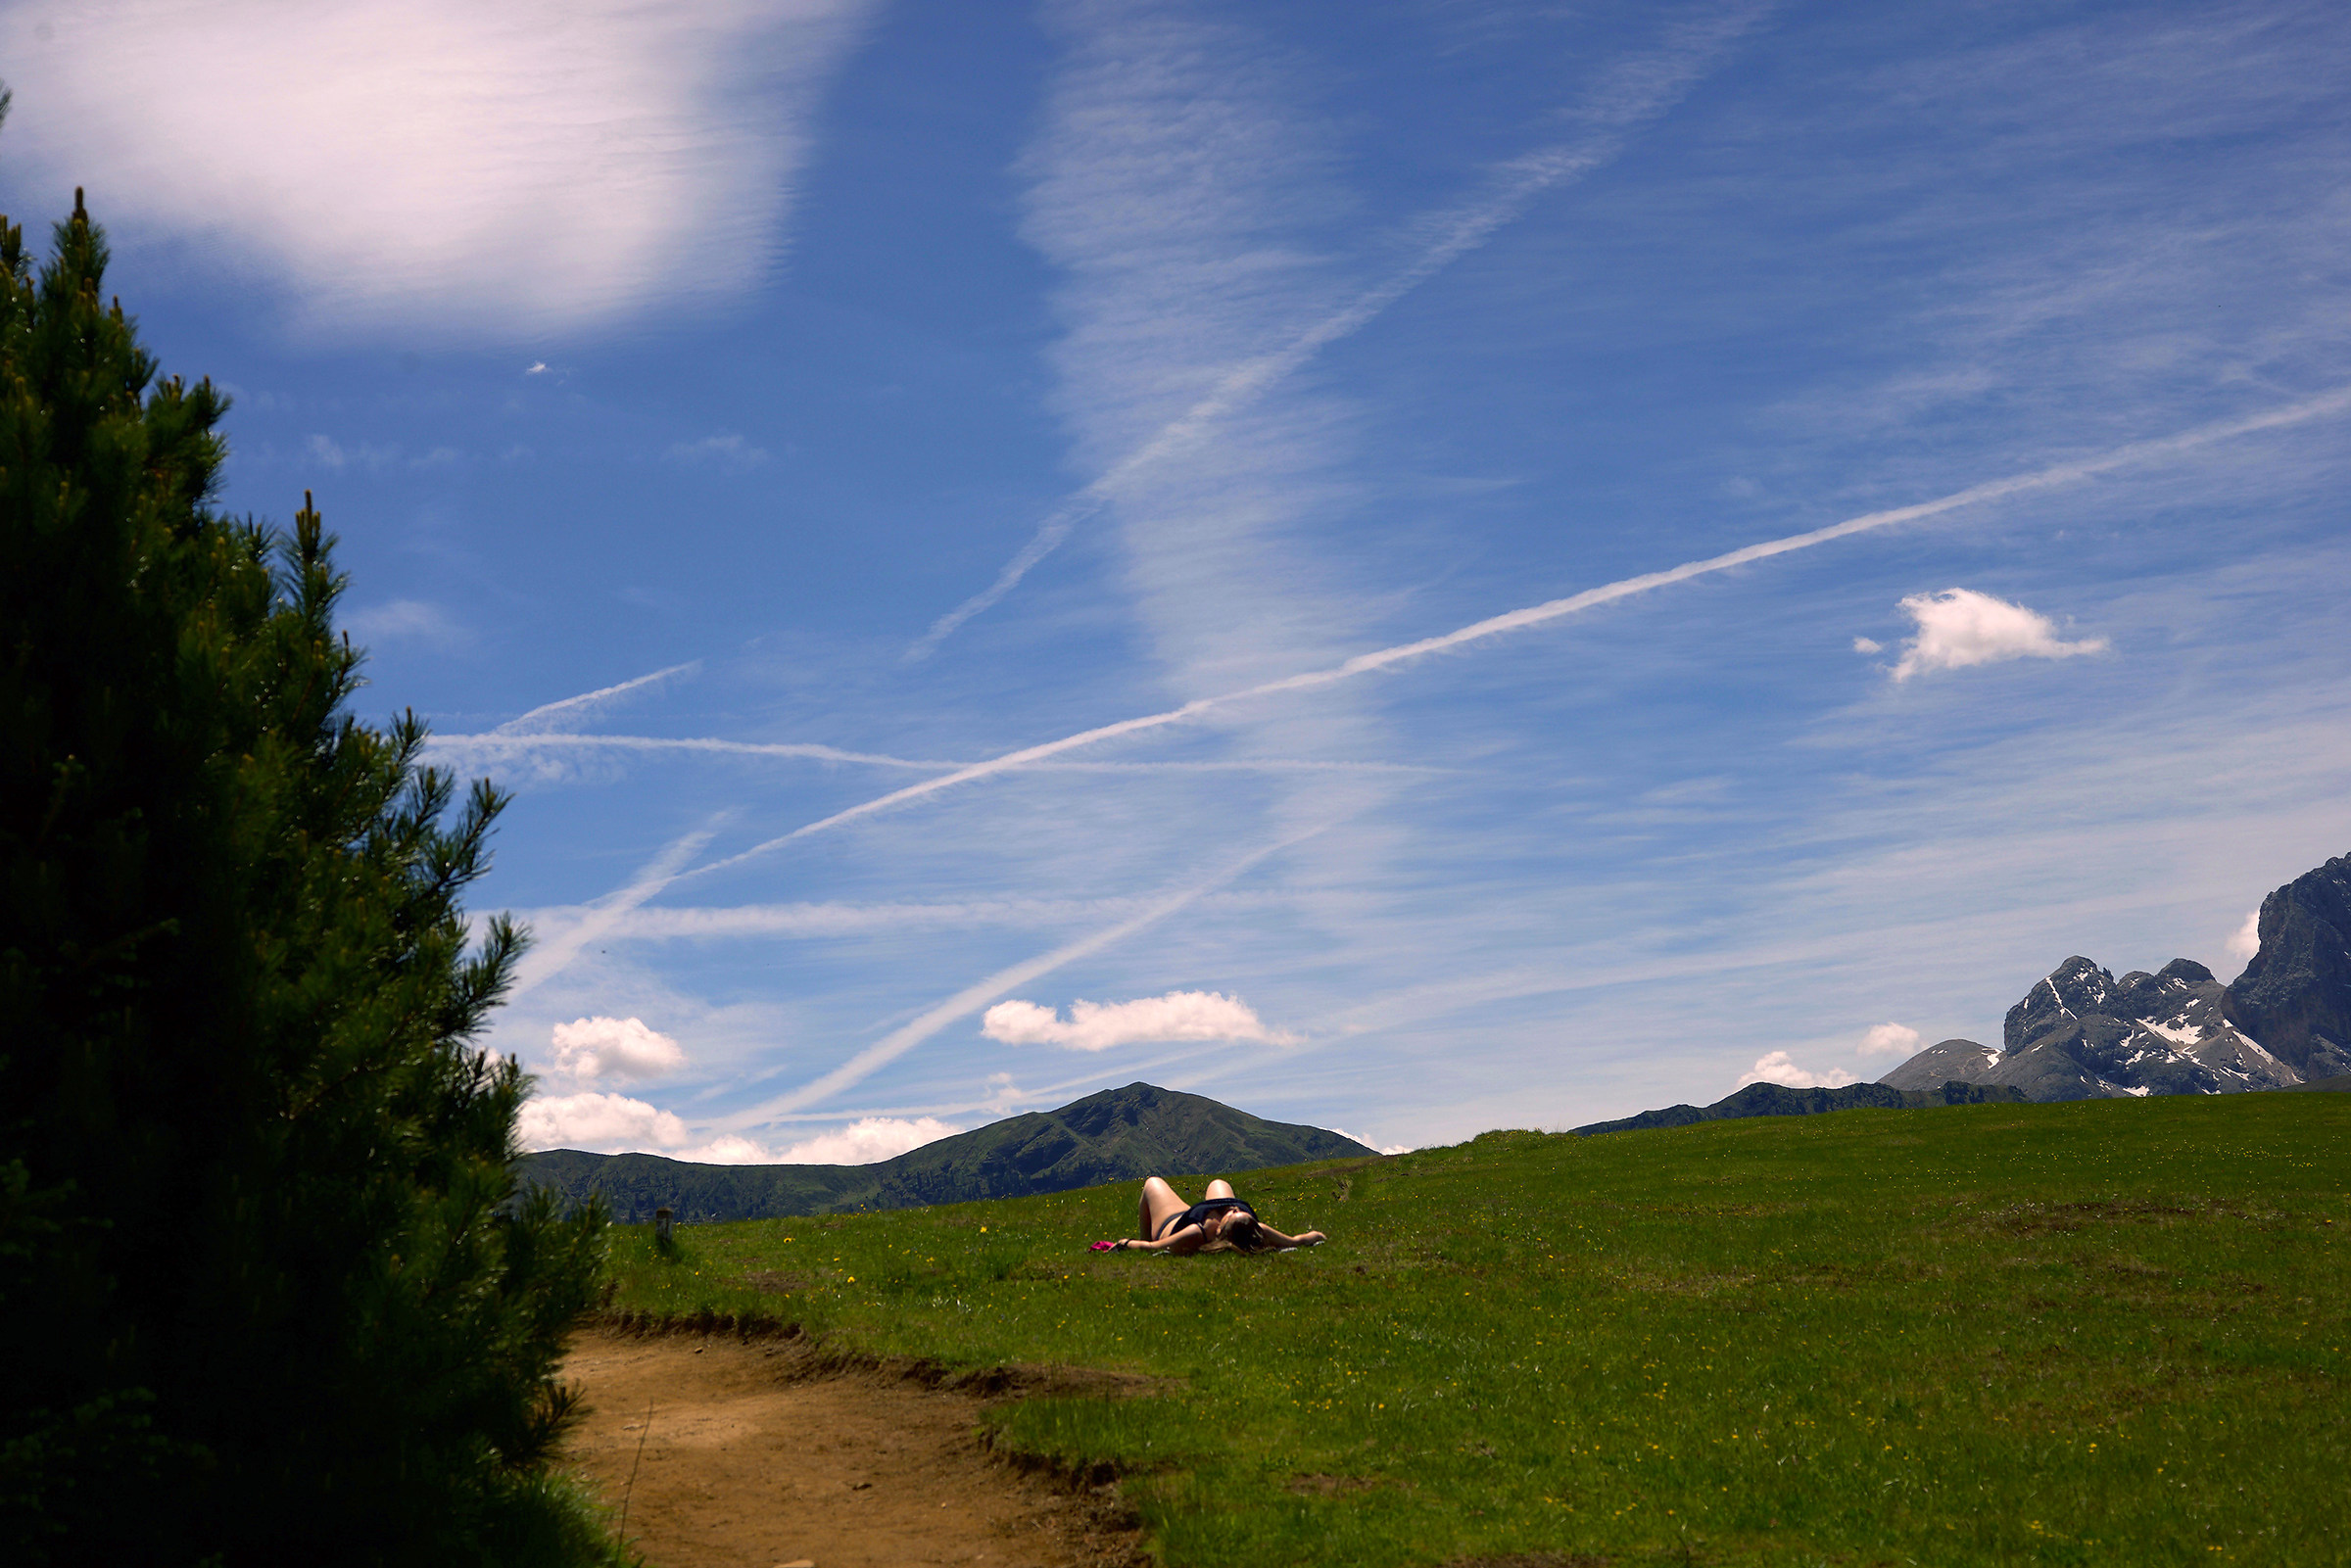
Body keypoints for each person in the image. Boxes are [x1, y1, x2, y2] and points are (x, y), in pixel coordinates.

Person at [1099, 1176, 1325, 1254]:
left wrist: (1125, 1243)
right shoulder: (1258, 1231)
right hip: (1204, 1215)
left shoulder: (1195, 1233)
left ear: (1221, 1230)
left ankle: (1147, 1232)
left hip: (1174, 1223)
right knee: (1218, 1183)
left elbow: (1152, 1248)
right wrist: (1316, 1237)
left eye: (1233, 1214)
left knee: (1152, 1183)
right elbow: (1300, 1239)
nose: (1235, 1210)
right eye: (1240, 1212)